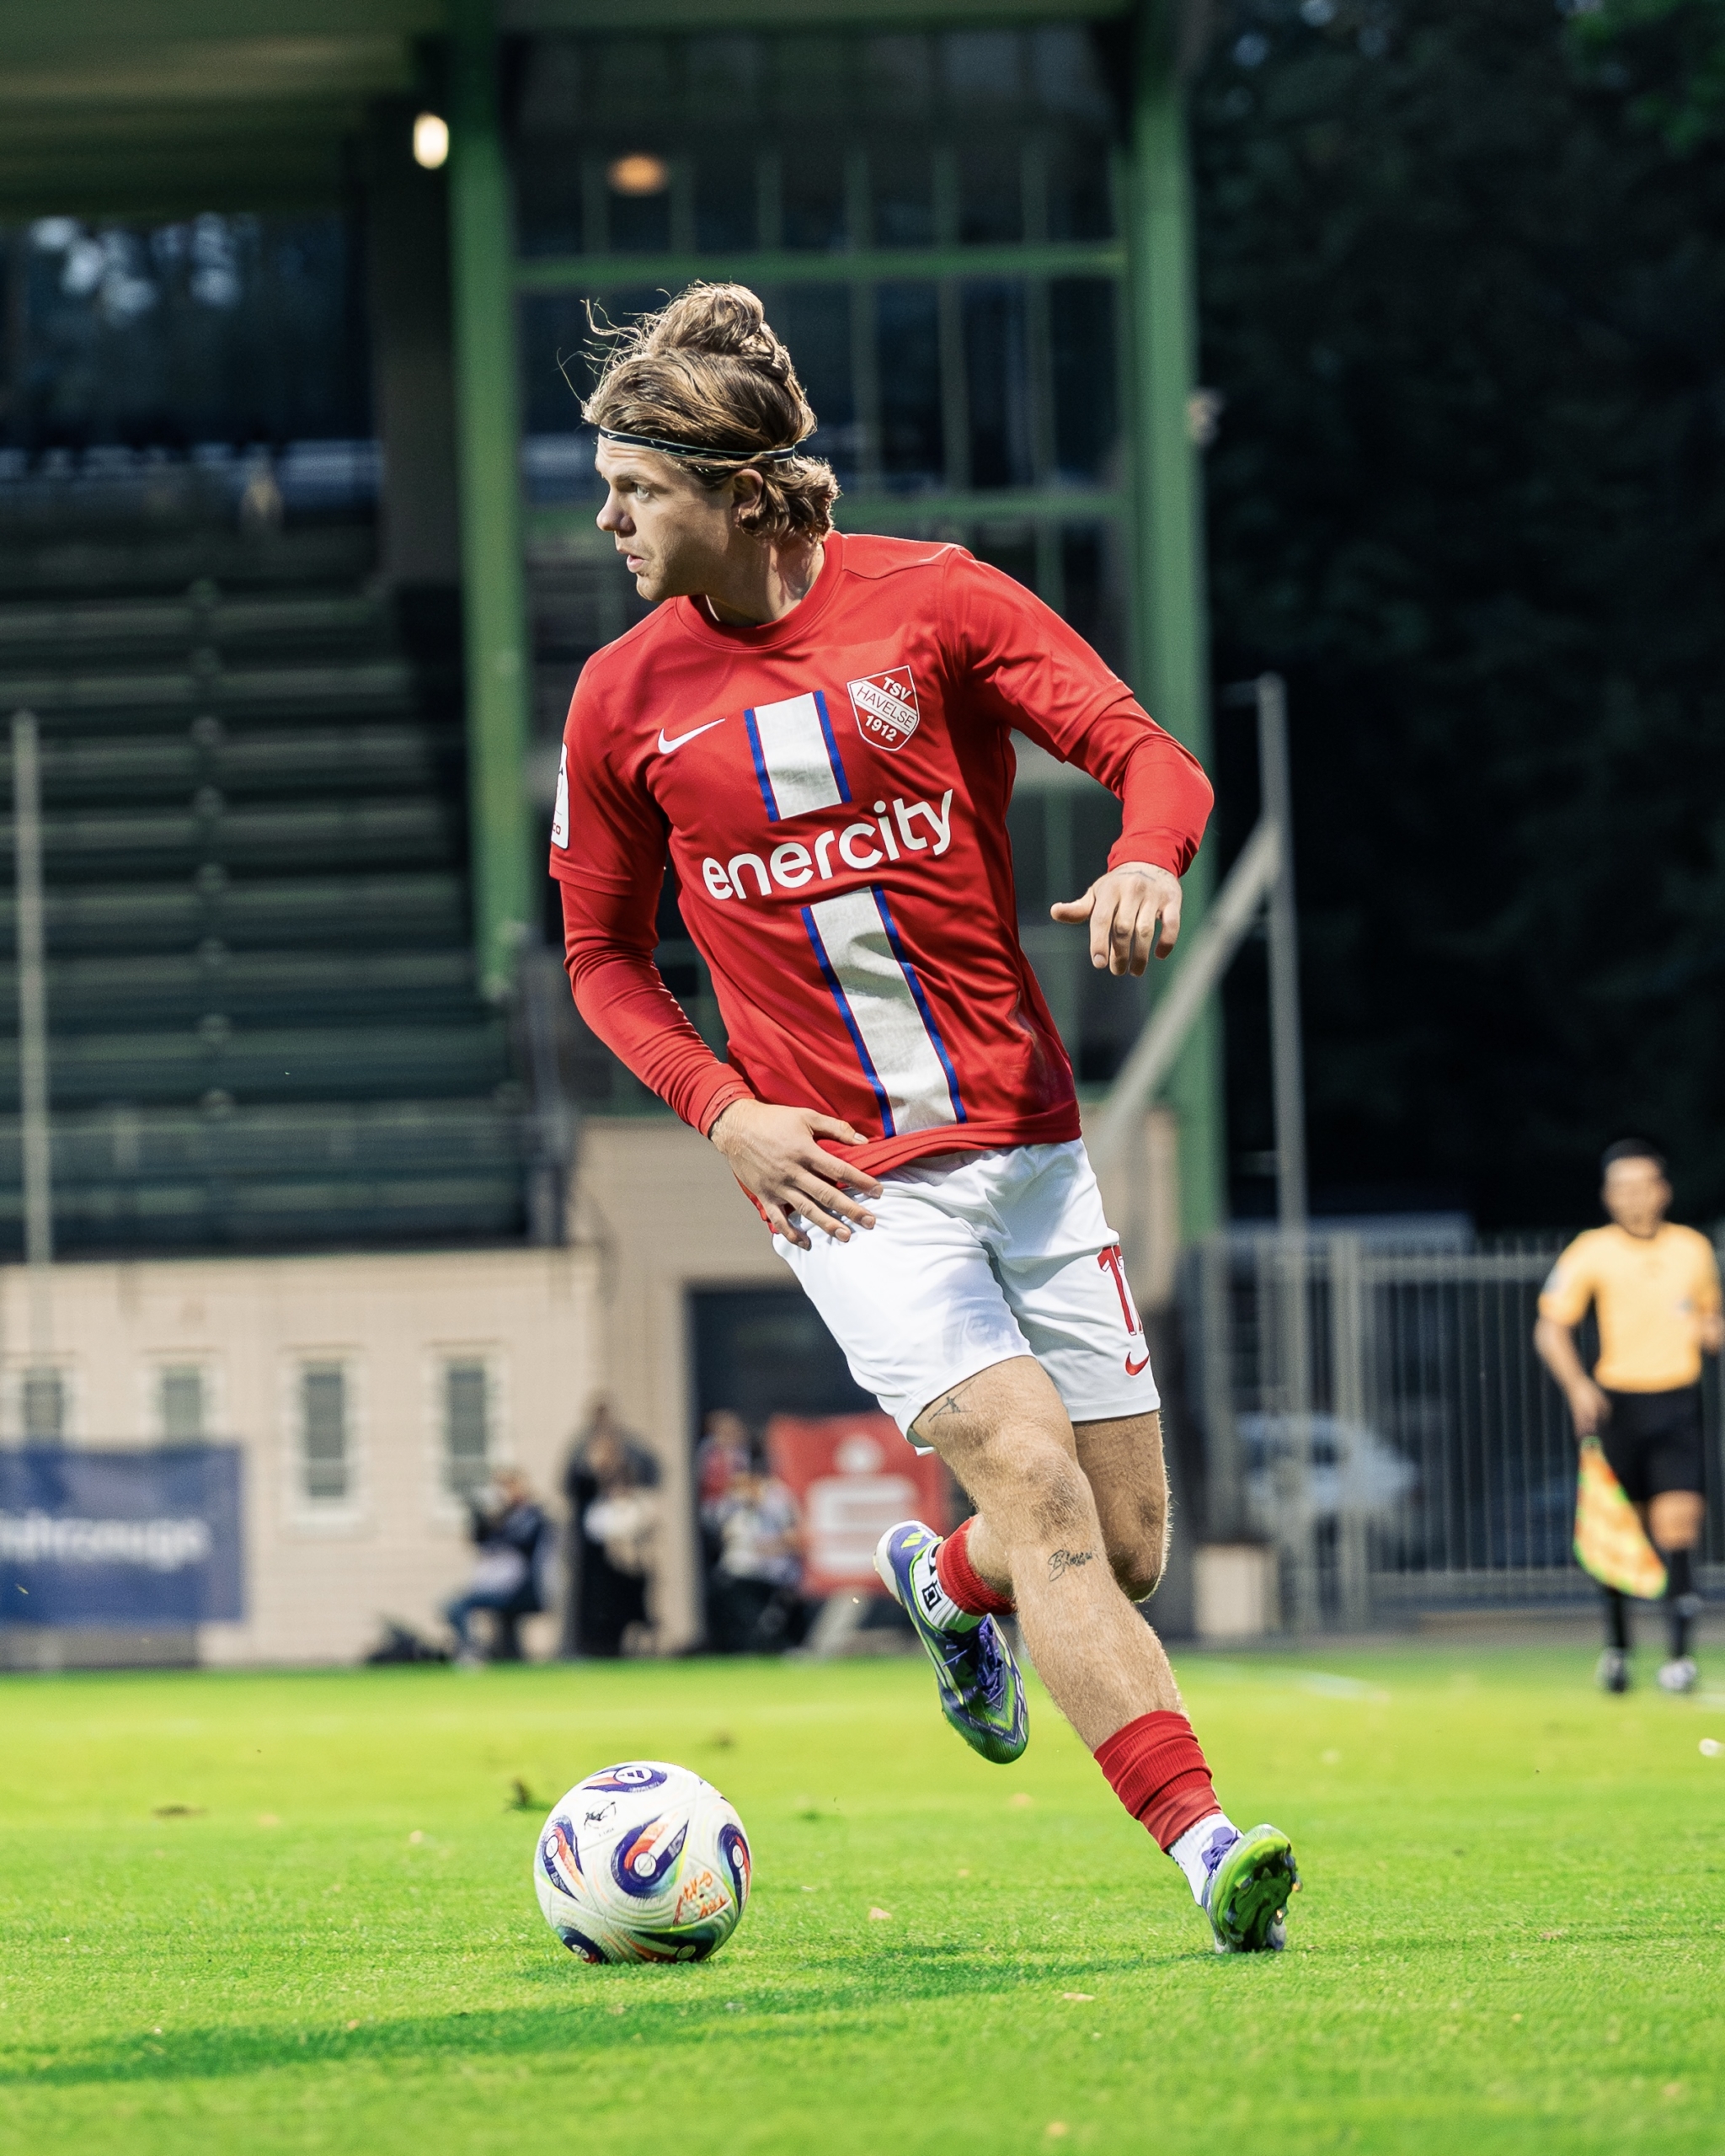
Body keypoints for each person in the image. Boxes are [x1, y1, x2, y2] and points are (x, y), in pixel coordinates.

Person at [550, 282, 1299, 1951]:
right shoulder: (619, 699)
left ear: (742, 491)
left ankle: (941, 1582)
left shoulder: (938, 601)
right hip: (845, 1187)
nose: (606, 519)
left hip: (1028, 1147)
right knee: (1034, 1482)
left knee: (1121, 1541)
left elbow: (1150, 758)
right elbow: (601, 959)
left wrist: (1143, 860)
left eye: (636, 488)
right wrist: (723, 1110)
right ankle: (1209, 1850)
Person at [1535, 1139, 1722, 1694]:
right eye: (1623, 1188)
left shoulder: (1691, 1249)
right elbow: (1551, 1328)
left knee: (1678, 1526)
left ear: (1662, 1191)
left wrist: (1709, 1331)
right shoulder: (1592, 1251)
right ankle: (1618, 1650)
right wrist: (1578, 1386)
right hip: (1619, 1405)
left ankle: (1680, 1658)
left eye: (1643, 1185)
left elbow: (1710, 1319)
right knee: (1621, 1533)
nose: (1634, 1197)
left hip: (1677, 1402)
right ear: (1608, 1196)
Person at [563, 1400, 661, 1658]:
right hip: (596, 1547)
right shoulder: (582, 1448)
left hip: (628, 1543)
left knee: (631, 1599)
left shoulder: (629, 1446)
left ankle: (635, 1644)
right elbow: (570, 1484)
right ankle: (596, 1647)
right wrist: (592, 1467)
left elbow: (653, 1473)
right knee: (596, 1600)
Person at [444, 1467, 550, 1665]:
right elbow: (480, 1542)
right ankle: (479, 1650)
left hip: (523, 1589)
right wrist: (478, 1518)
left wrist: (496, 1520)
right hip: (501, 1587)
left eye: (508, 1487)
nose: (502, 1493)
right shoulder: (502, 1517)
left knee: (459, 1605)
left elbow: (518, 1540)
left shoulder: (531, 1516)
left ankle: (471, 1653)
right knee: (454, 1605)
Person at [707, 1453, 807, 1653]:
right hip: (740, 1573)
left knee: (770, 1625)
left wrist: (774, 1546)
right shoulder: (733, 1500)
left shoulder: (778, 1497)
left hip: (771, 1576)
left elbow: (794, 1537)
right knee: (737, 1620)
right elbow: (721, 1530)